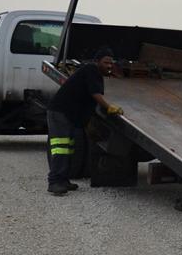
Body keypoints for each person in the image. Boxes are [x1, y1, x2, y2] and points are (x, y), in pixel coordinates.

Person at [46, 47, 124, 196]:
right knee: (60, 147)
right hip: (59, 112)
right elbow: (95, 94)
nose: (109, 66)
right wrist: (109, 107)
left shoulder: (96, 74)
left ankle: (63, 179)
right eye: (106, 62)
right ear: (97, 61)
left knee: (69, 148)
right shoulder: (90, 70)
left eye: (110, 63)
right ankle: (54, 182)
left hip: (69, 115)